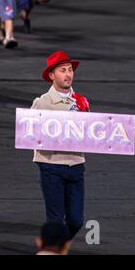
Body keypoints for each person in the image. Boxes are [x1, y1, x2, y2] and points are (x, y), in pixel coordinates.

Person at [31, 51, 90, 239]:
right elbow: (30, 133)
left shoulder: (81, 101)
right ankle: (54, 249)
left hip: (76, 164)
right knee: (55, 220)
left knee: (76, 221)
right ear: (51, 76)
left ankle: (55, 246)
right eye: (62, 70)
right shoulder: (42, 103)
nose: (68, 74)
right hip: (51, 165)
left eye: (70, 70)